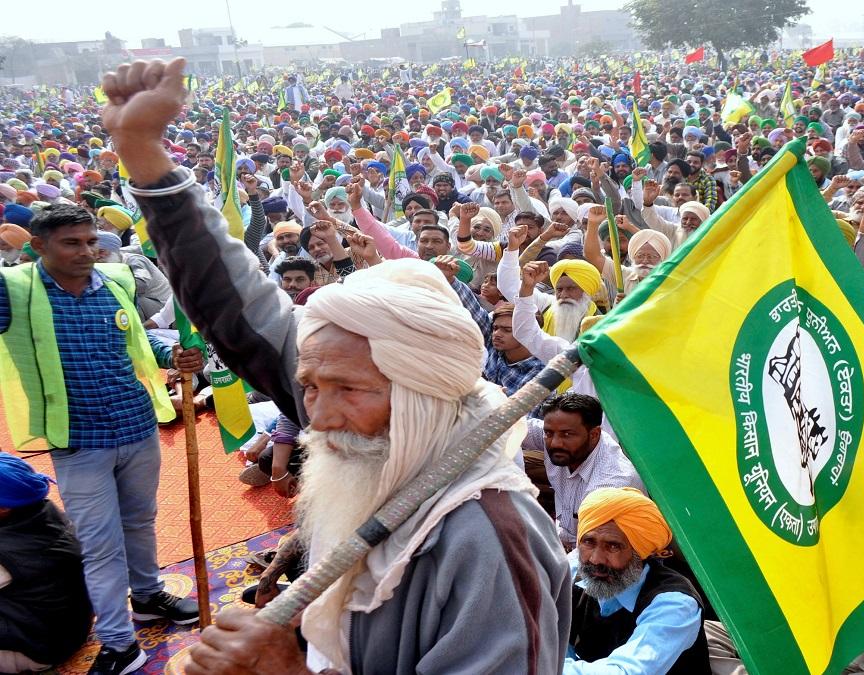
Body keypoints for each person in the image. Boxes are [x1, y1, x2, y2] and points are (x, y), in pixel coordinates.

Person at [102, 57, 571, 675]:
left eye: (345, 389)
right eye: (308, 388)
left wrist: (288, 671)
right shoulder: (368, 417)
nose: (317, 419)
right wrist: (142, 152)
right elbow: (235, 307)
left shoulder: (487, 538)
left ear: (422, 392)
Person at [0, 202, 196, 675]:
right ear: (38, 246)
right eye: (71, 243)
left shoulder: (115, 281)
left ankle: (147, 597)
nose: (87, 251)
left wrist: (173, 354)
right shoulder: (14, 290)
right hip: (78, 441)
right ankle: (119, 644)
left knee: (140, 521)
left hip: (137, 425)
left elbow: (137, 340)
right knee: (100, 543)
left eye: (91, 241)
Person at [566, 487, 710, 674]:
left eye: (613, 546)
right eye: (588, 542)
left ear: (639, 553)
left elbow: (626, 672)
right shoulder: (575, 574)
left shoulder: (675, 603)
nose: (595, 559)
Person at [0, 453, 93, 674]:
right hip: (69, 628)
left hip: (35, 648)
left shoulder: (7, 552)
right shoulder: (43, 510)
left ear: (4, 508)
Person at [521, 393, 644, 550]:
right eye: (549, 433)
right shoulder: (561, 435)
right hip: (567, 540)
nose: (555, 443)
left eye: (567, 435)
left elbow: (594, 553)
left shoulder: (610, 484)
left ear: (594, 434)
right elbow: (513, 427)